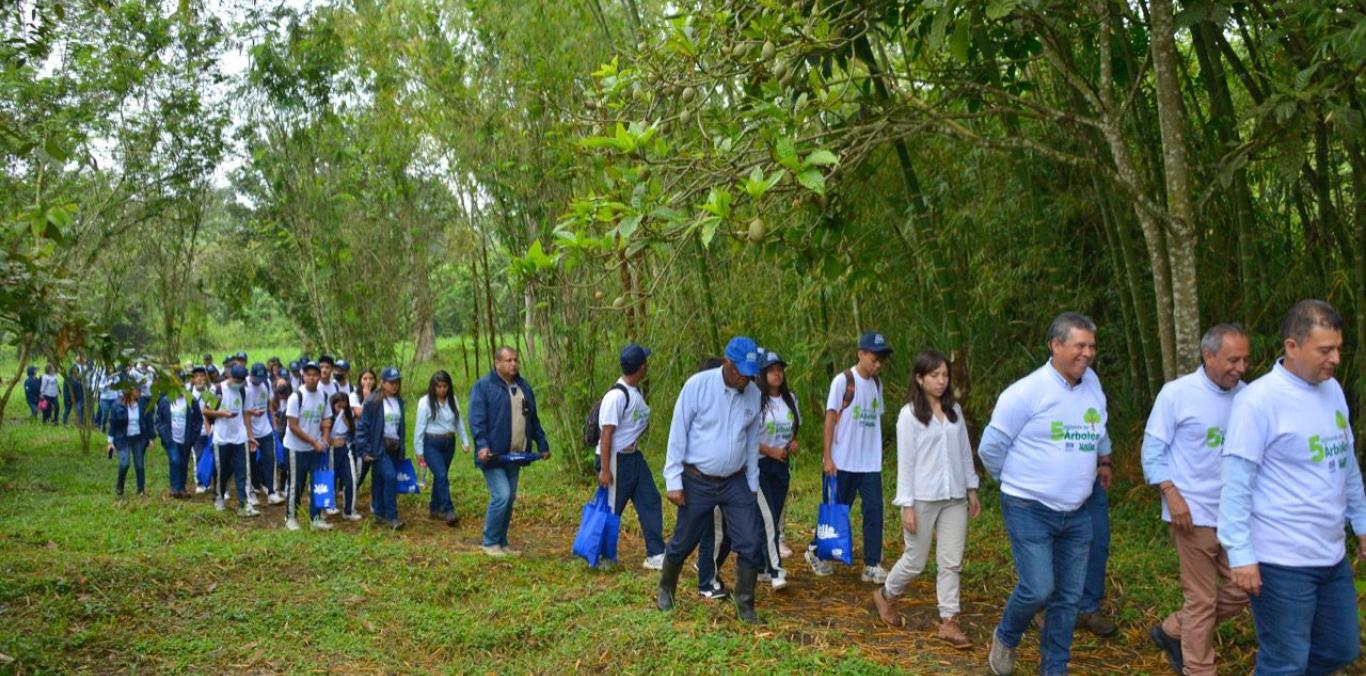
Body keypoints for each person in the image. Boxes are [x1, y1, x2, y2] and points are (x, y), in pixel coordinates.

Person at [1219, 300, 1366, 675]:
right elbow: (1236, 483)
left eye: (1338, 349)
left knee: (1340, 648)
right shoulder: (1258, 402)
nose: (1334, 359)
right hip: (1280, 559)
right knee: (1285, 661)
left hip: (1330, 555)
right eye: (1324, 350)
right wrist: (1240, 554)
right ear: (1292, 347)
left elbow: (1346, 465)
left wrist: (1361, 524)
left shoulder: (1332, 389)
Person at [979, 312, 1111, 676]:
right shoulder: (1026, 392)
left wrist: (1103, 460)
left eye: (1092, 346)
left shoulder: (1092, 384)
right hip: (1029, 508)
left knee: (1068, 598)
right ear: (1055, 345)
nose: (1087, 354)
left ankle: (1054, 667)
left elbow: (1099, 429)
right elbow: (990, 447)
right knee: (1038, 588)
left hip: (1079, 510)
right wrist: (1014, 481)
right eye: (1079, 345)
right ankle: (1006, 636)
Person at [1140, 324, 1251, 674]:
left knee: (1247, 586)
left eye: (1245, 360)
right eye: (1233, 359)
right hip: (1192, 514)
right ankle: (1199, 669)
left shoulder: (1248, 396)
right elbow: (1152, 452)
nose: (1241, 367)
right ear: (1208, 355)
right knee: (1201, 599)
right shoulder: (1177, 394)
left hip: (1236, 515)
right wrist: (1171, 495)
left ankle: (1174, 629)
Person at [873, 349, 980, 647]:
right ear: (920, 378)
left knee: (950, 562)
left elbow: (964, 453)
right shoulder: (909, 416)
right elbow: (905, 462)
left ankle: (949, 622)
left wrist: (971, 489)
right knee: (915, 560)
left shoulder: (954, 412)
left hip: (954, 497)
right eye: (935, 375)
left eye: (945, 375)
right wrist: (906, 505)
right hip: (922, 498)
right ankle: (886, 594)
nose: (942, 381)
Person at [655, 337, 765, 623]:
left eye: (752, 372)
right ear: (727, 363)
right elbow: (678, 432)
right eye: (742, 371)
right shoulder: (698, 386)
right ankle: (666, 588)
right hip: (697, 479)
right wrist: (673, 480)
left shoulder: (753, 394)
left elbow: (752, 443)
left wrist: (752, 484)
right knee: (684, 539)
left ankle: (745, 604)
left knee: (751, 540)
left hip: (735, 481)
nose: (747, 378)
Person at [807, 331, 893, 583]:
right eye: (874, 359)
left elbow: (875, 420)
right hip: (842, 461)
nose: (877, 365)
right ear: (861, 354)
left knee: (874, 511)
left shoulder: (877, 385)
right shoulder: (843, 381)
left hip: (870, 463)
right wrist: (828, 457)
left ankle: (872, 564)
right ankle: (816, 551)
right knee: (837, 510)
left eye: (881, 361)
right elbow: (830, 418)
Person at [468, 347, 549, 555]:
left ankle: (502, 543)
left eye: (515, 360)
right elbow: (477, 420)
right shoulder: (484, 387)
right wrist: (482, 445)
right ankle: (489, 542)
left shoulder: (523, 387)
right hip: (493, 456)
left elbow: (533, 419)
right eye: (508, 360)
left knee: (510, 497)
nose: (513, 364)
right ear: (497, 363)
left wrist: (542, 444)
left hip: (516, 454)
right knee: (501, 495)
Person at [595, 343, 665, 570]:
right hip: (616, 459)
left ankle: (656, 554)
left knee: (650, 499)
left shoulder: (636, 392)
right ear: (642, 367)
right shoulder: (616, 396)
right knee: (613, 507)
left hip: (634, 457)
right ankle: (604, 556)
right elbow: (606, 433)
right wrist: (605, 470)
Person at [754, 350, 799, 589]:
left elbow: (793, 429)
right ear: (762, 373)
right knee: (769, 518)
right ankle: (775, 570)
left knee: (774, 516)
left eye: (779, 370)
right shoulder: (755, 400)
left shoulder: (790, 399)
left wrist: (792, 444)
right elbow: (748, 438)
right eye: (771, 370)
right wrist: (770, 451)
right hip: (760, 465)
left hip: (781, 466)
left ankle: (762, 566)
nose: (777, 374)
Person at [415, 370, 471, 526]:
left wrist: (464, 441)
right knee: (441, 475)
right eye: (438, 386)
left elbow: (458, 421)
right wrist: (419, 450)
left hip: (449, 443)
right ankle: (448, 510)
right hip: (431, 443)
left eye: (444, 386)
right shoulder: (424, 402)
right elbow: (419, 428)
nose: (441, 390)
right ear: (433, 387)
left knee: (441, 476)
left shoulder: (452, 399)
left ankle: (434, 507)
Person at [204, 364, 259, 517]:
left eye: (241, 380)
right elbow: (205, 410)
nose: (239, 383)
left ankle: (245, 504)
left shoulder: (244, 391)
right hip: (221, 438)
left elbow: (246, 415)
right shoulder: (216, 390)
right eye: (236, 380)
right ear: (229, 376)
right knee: (222, 471)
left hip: (239, 438)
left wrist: (250, 436)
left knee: (243, 472)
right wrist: (221, 413)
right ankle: (219, 497)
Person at [356, 366, 407, 530]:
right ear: (383, 383)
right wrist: (364, 450)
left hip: (394, 446)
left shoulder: (399, 401)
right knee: (391, 477)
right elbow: (363, 427)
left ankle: (378, 513)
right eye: (390, 382)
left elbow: (401, 426)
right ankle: (392, 516)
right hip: (379, 447)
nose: (394, 385)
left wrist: (402, 447)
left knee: (379, 480)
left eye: (397, 382)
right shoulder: (373, 401)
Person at [283, 361, 331, 531]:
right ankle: (290, 517)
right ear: (304, 375)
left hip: (316, 448)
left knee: (318, 482)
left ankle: (316, 518)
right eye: (309, 374)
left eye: (315, 374)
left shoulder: (323, 396)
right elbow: (293, 426)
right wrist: (313, 441)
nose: (312, 378)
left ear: (320, 376)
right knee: (296, 483)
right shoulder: (296, 397)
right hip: (296, 448)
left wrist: (324, 439)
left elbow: (326, 420)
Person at [106, 375, 156, 496]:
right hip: (123, 439)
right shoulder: (117, 405)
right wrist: (110, 442)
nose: (140, 392)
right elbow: (113, 424)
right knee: (124, 464)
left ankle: (141, 489)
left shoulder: (143, 403)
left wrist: (150, 438)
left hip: (138, 438)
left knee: (139, 465)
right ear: (130, 391)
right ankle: (120, 485)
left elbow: (148, 421)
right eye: (137, 390)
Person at [156, 374, 203, 499]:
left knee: (183, 462)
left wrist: (193, 436)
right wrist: (163, 434)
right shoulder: (165, 401)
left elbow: (198, 420)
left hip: (186, 438)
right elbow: (159, 420)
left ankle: (182, 488)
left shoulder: (191, 401)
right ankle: (175, 488)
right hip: (171, 438)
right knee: (175, 460)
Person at [245, 363, 285, 506]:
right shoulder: (245, 387)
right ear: (251, 375)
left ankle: (272, 492)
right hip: (249, 432)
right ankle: (250, 491)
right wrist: (250, 437)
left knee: (270, 458)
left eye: (261, 378)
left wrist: (273, 425)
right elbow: (244, 415)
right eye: (256, 378)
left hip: (265, 429)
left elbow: (268, 405)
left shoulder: (266, 383)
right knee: (249, 464)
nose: (259, 381)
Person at [326, 392, 361, 522]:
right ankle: (329, 504)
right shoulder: (328, 417)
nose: (340, 406)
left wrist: (346, 420)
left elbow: (352, 433)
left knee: (350, 479)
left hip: (345, 450)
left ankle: (349, 510)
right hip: (331, 451)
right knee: (331, 479)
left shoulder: (348, 417)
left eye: (343, 403)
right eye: (338, 403)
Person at [350, 368, 379, 493]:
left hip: (376, 438)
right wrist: (367, 397)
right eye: (365, 378)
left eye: (371, 378)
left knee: (375, 471)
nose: (368, 381)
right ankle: (349, 494)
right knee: (359, 471)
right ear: (360, 381)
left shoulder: (379, 395)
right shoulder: (354, 396)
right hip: (360, 439)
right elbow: (360, 414)